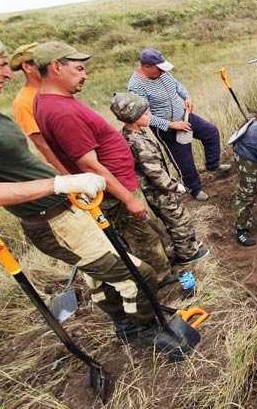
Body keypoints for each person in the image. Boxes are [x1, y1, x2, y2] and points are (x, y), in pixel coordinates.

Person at [0, 23, 163, 346]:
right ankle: (148, 334)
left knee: (100, 278)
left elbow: (18, 165)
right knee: (139, 275)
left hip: (65, 211)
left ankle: (126, 328)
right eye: (0, 64)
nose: (9, 73)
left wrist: (67, 185)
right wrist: (58, 184)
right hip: (51, 221)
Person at [32, 41, 171, 276]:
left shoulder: (50, 100)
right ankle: (164, 284)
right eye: (78, 69)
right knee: (145, 242)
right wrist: (128, 199)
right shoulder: (62, 112)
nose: (85, 75)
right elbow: (89, 164)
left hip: (116, 185)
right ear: (56, 67)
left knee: (147, 237)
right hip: (115, 193)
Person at [109, 92, 209, 265]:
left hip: (150, 190)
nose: (149, 116)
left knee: (168, 221)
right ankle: (188, 253)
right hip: (157, 191)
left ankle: (183, 246)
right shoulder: (139, 142)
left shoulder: (129, 134)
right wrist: (173, 186)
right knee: (178, 218)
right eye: (145, 114)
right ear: (133, 118)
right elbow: (154, 172)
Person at [127, 48, 230, 201]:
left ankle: (213, 165)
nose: (162, 72)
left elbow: (178, 86)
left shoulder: (163, 73)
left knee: (210, 132)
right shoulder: (136, 86)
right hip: (167, 128)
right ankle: (193, 188)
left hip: (185, 117)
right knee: (185, 159)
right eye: (159, 68)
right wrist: (172, 125)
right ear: (146, 67)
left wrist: (187, 97)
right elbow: (144, 117)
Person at [9, 42, 68, 173]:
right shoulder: (23, 102)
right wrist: (69, 175)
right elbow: (43, 145)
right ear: (27, 67)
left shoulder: (57, 88)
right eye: (41, 64)